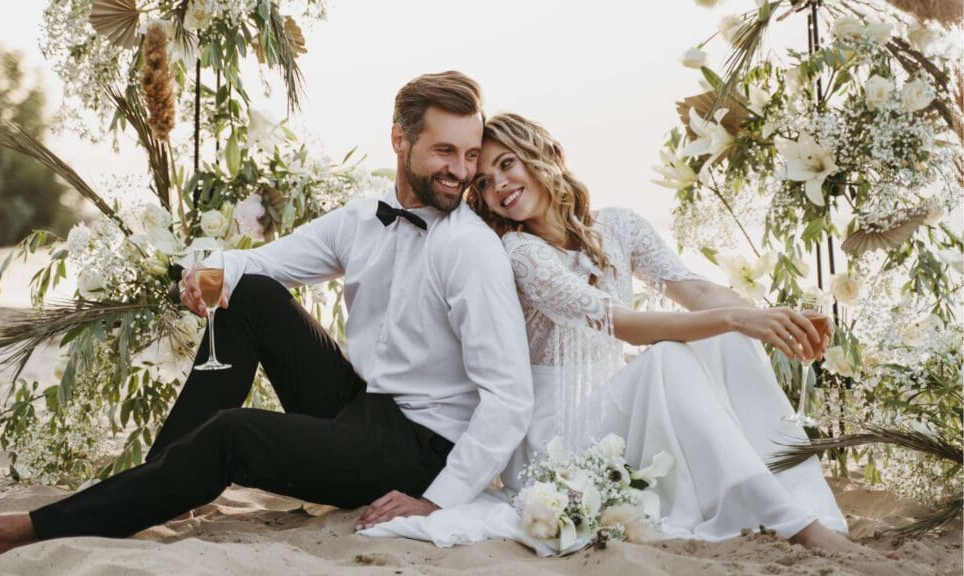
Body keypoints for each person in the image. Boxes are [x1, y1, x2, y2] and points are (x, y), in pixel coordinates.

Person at [0, 72, 534, 561]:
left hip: (421, 451)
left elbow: (509, 397)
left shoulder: (469, 249)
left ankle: (21, 530)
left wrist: (439, 499)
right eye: (444, 151)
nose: (460, 169)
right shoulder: (361, 219)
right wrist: (204, 271)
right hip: (365, 408)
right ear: (399, 142)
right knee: (248, 291)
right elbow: (259, 263)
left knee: (232, 432)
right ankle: (160, 484)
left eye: (470, 154)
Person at [361, 112, 867, 556]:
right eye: (487, 182)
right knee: (670, 357)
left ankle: (805, 506)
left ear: (549, 154)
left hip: (614, 412)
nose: (499, 185)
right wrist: (739, 318)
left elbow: (696, 293)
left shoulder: (620, 226)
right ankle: (790, 524)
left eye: (507, 164)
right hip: (552, 438)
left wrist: (766, 314)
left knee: (726, 339)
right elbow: (624, 325)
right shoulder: (521, 253)